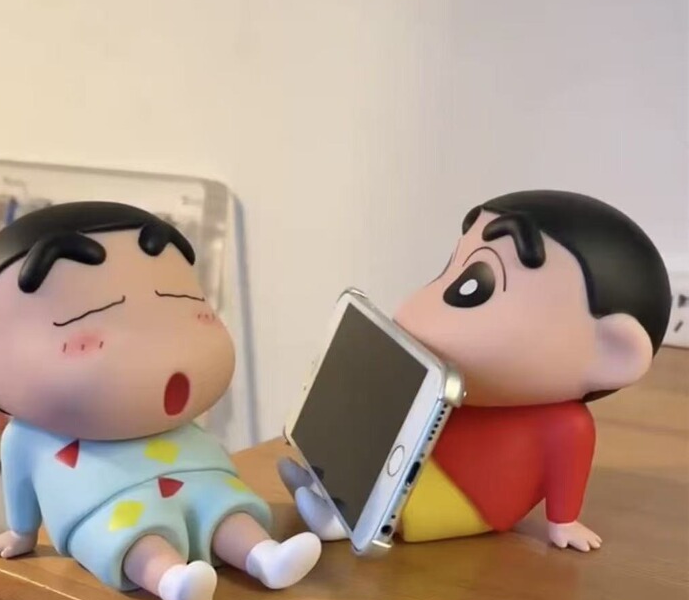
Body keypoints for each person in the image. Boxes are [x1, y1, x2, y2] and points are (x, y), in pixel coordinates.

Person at [0, 201, 321, 600]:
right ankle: (173, 582)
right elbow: (19, 484)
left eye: (186, 306)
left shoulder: (174, 422)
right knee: (135, 538)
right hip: (103, 507)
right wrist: (22, 533)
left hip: (199, 478)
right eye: (86, 326)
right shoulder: (27, 438)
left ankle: (266, 558)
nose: (157, 350)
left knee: (225, 511)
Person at [280, 189, 671, 552]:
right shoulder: (456, 389)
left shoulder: (567, 425)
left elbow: (567, 471)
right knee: (375, 451)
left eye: (475, 286)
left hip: (474, 499)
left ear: (613, 355)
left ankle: (338, 518)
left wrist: (563, 523)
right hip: (430, 460)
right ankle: (324, 483)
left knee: (400, 501)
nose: (413, 310)